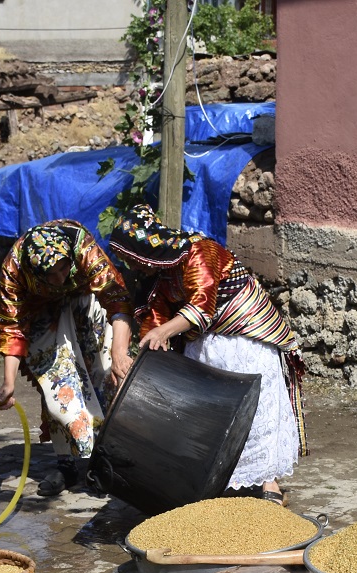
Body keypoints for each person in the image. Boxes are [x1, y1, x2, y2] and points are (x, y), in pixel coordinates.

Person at [107, 204, 304, 504]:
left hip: (245, 335)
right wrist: (135, 371)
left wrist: (163, 333)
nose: (135, 269)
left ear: (145, 250)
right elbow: (155, 325)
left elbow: (201, 306)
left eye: (134, 261)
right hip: (205, 342)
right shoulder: (157, 279)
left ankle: (269, 484)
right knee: (212, 415)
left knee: (257, 408)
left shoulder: (200, 251)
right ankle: (223, 482)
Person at [0, 219, 136, 496]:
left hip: (86, 301)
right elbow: (12, 327)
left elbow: (115, 296)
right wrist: (8, 382)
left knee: (107, 373)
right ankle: (67, 465)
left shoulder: (79, 243)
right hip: (41, 314)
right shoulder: (14, 269)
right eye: (51, 274)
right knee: (57, 388)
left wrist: (119, 352)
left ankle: (109, 458)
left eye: (63, 268)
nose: (59, 279)